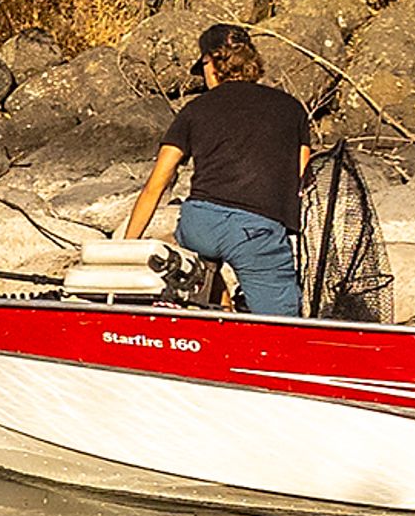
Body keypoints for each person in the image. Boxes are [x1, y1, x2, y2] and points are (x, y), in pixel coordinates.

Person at [120, 21, 316, 314]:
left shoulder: (194, 110)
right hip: (256, 231)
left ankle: (223, 309)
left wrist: (125, 249)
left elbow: (156, 185)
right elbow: (303, 177)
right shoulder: (290, 108)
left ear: (210, 63)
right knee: (281, 323)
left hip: (199, 225)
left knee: (202, 257)